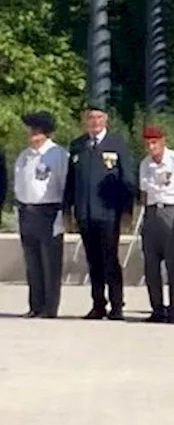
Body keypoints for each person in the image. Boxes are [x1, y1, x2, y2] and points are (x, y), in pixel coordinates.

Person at [63, 105, 136, 320]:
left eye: (99, 117)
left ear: (106, 119)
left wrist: (127, 211)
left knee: (110, 258)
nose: (94, 122)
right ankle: (98, 304)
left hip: (109, 213)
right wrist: (67, 210)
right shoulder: (78, 145)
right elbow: (71, 181)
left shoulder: (117, 143)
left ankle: (116, 304)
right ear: (84, 120)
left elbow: (127, 179)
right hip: (85, 212)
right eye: (90, 118)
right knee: (93, 260)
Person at [137, 125, 174, 323]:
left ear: (163, 141)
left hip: (173, 211)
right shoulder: (145, 164)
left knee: (173, 264)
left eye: (154, 142)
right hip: (153, 212)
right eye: (147, 143)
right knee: (151, 264)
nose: (151, 147)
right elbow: (145, 195)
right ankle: (156, 308)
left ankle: (173, 307)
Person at [14, 111, 68, 319]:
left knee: (50, 263)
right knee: (32, 262)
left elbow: (64, 185)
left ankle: (49, 307)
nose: (31, 135)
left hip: (49, 211)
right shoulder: (25, 156)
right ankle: (35, 305)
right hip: (27, 211)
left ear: (44, 133)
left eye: (35, 131)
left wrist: (63, 215)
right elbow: (19, 183)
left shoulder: (57, 155)